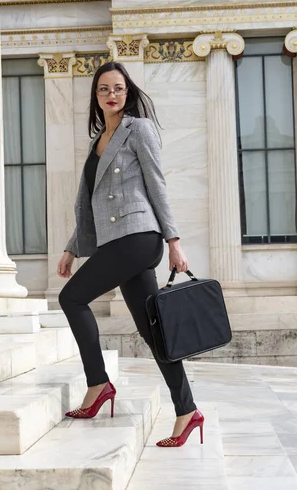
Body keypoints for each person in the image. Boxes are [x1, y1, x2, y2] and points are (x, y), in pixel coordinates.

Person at [57, 61, 203, 447]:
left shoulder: (139, 129)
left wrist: (174, 241)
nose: (111, 95)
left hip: (140, 237)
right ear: (96, 95)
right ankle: (187, 411)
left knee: (71, 297)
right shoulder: (98, 141)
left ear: (128, 91)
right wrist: (74, 246)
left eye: (118, 88)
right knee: (153, 330)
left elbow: (157, 184)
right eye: (104, 89)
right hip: (115, 241)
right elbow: (89, 204)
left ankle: (98, 384)